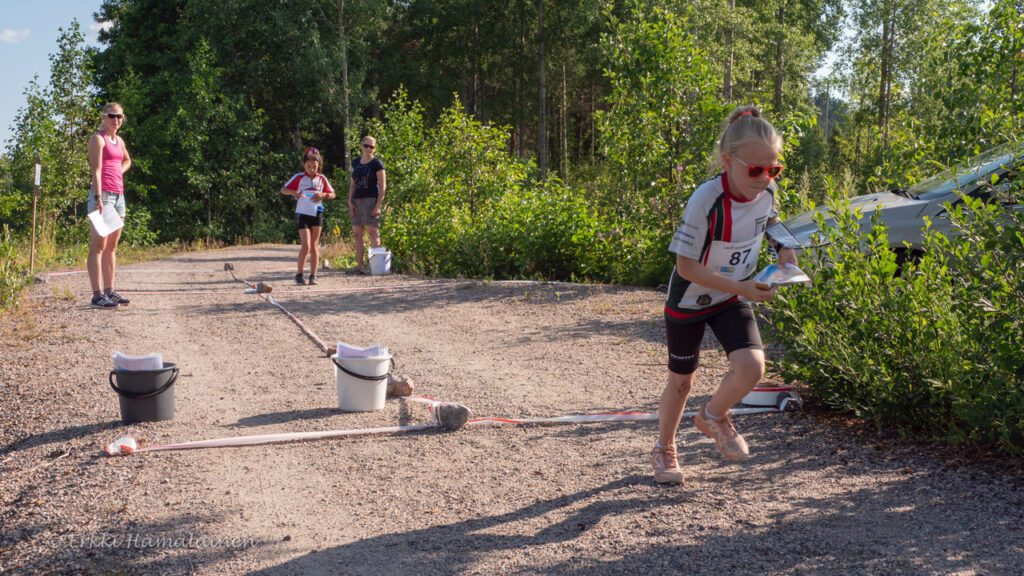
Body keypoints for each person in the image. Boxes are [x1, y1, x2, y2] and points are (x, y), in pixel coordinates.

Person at [652, 106, 798, 484]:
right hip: (691, 298)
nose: (765, 178)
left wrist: (785, 250)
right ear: (728, 161)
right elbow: (686, 267)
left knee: (752, 367)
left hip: (733, 295)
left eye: (774, 170)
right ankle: (665, 448)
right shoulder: (705, 199)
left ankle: (713, 417)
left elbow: (772, 222)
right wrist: (744, 287)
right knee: (681, 382)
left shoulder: (767, 191)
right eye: (755, 170)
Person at [87, 102, 132, 309]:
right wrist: (97, 197)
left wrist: (118, 172)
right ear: (104, 117)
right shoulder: (98, 139)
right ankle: (97, 295)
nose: (116, 120)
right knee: (99, 246)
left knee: (112, 246)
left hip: (119, 196)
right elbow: (96, 170)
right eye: (112, 116)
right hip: (103, 196)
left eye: (119, 116)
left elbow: (127, 161)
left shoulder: (119, 140)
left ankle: (110, 291)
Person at [281, 148, 335, 285]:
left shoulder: (322, 178)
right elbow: (283, 189)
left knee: (314, 245)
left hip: (317, 213)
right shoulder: (299, 177)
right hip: (304, 213)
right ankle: (299, 274)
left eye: (315, 167)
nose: (312, 169)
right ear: (304, 165)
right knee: (306, 245)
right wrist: (294, 192)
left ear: (319, 166)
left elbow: (333, 194)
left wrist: (323, 195)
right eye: (309, 166)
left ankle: (313, 275)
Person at [347, 136, 386, 274]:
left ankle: (374, 266)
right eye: (366, 145)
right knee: (357, 234)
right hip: (357, 200)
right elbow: (352, 185)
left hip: (371, 199)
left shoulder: (377, 164)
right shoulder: (356, 162)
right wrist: (349, 202)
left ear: (375, 148)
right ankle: (360, 266)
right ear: (361, 146)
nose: (369, 149)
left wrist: (377, 206)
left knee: (372, 232)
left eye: (372, 146)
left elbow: (382, 187)